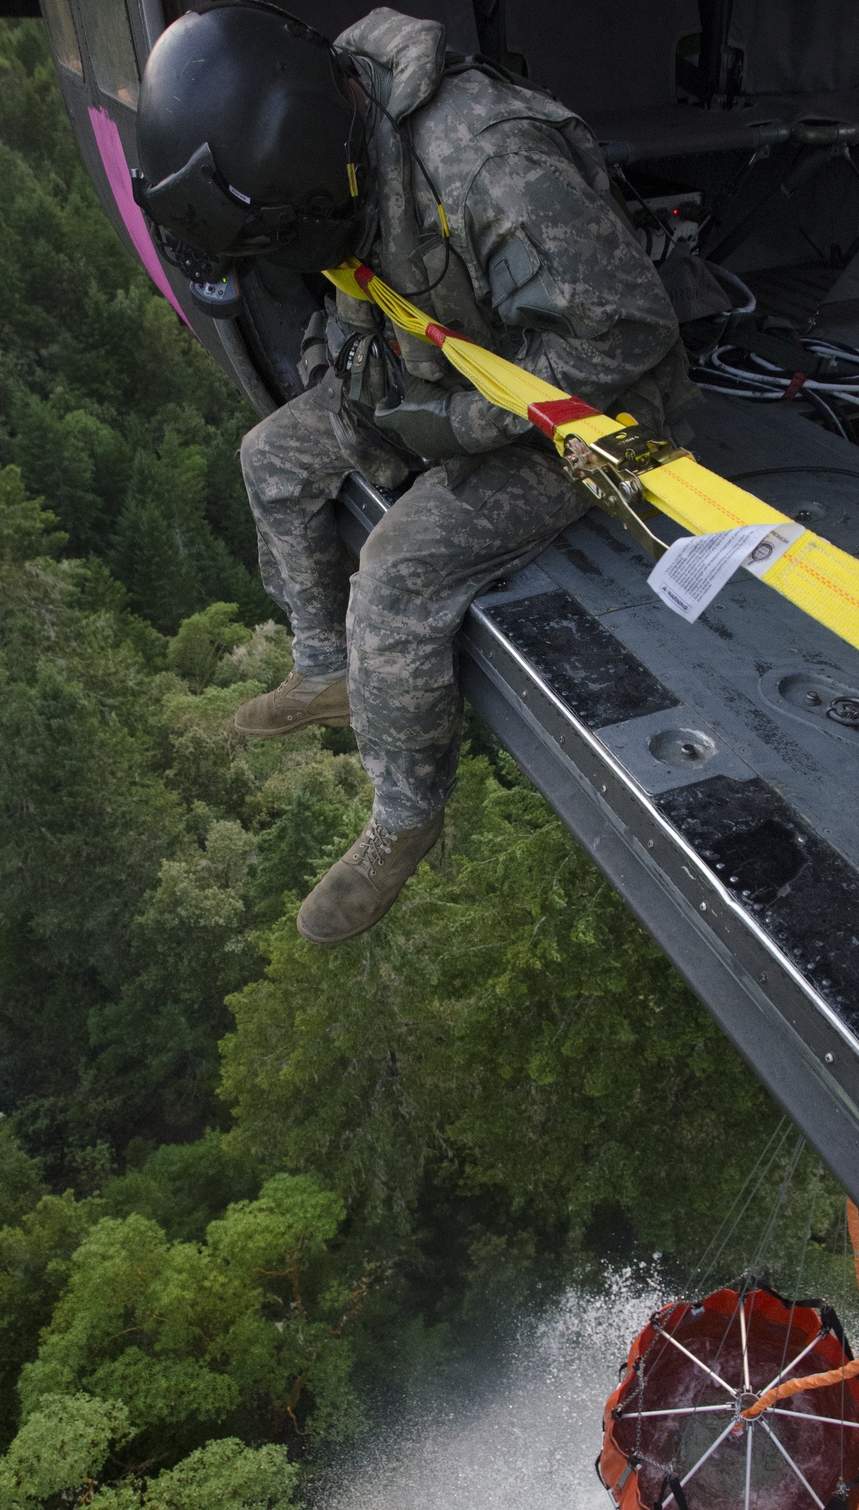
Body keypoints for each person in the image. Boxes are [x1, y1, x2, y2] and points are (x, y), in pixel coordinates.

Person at [134, 2, 695, 945]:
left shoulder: (489, 164)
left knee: (396, 574)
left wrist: (454, 427)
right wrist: (354, 386)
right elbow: (364, 285)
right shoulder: (336, 134)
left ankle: (404, 818)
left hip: (592, 420)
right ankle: (325, 670)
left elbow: (625, 337)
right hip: (433, 368)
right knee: (268, 457)